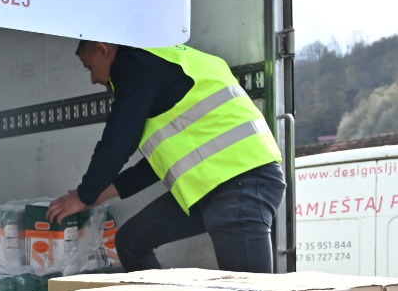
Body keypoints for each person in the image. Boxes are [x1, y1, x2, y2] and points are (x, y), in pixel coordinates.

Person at [47, 41, 286, 273]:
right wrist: (98, 196)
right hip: (208, 186)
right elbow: (155, 165)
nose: (93, 79)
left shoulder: (135, 64)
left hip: (241, 180)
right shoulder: (162, 62)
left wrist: (84, 194)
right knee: (131, 242)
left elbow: (118, 140)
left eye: (90, 67)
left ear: (103, 49)